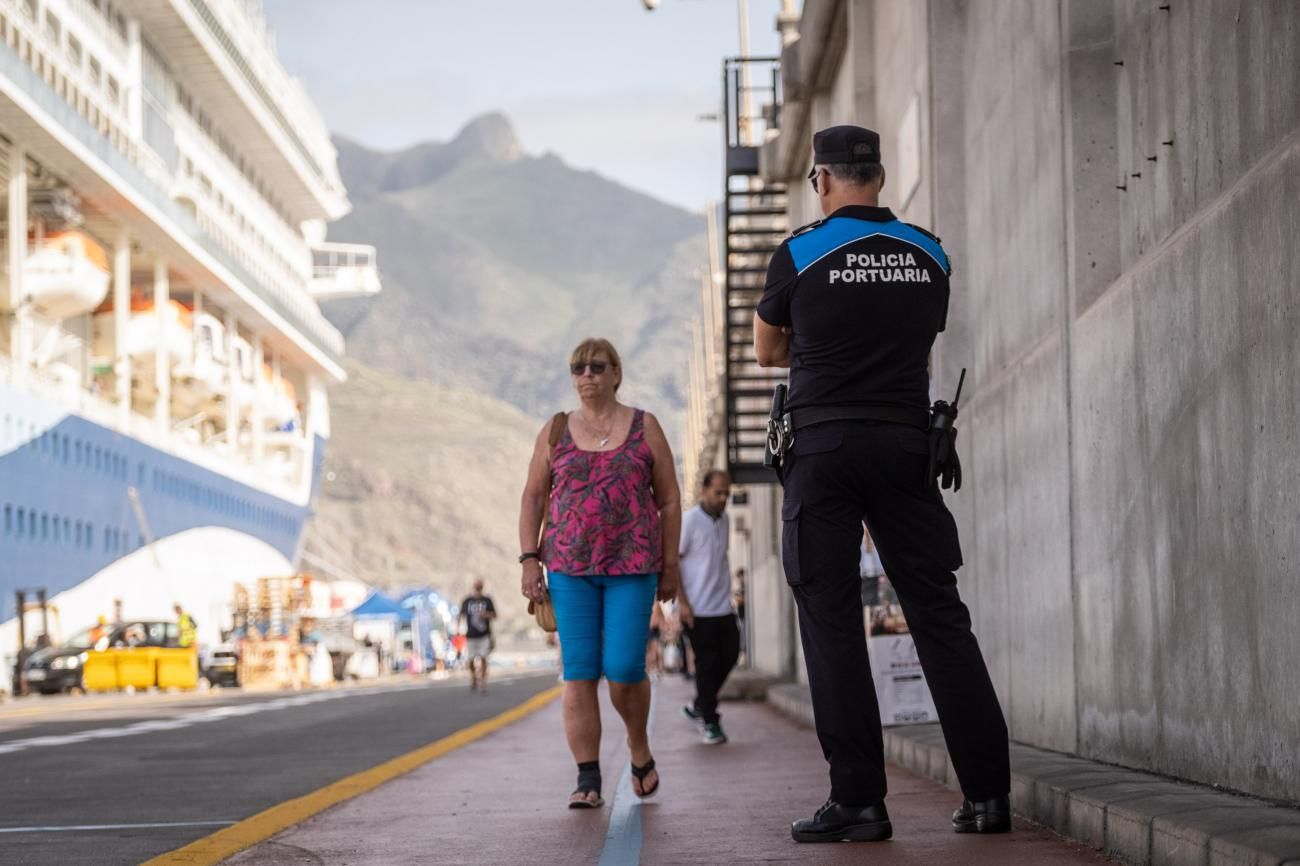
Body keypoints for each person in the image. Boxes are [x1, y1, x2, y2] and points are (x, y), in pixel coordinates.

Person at [753, 125, 1011, 843]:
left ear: (822, 181)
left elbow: (767, 348)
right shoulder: (930, 253)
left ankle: (861, 802)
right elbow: (921, 333)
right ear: (881, 177)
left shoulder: (801, 251)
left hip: (824, 448)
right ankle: (988, 797)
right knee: (939, 616)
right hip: (905, 444)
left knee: (832, 622)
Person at [518, 337, 681, 809]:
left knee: (625, 669)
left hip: (633, 566)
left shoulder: (645, 427)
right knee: (580, 672)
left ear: (615, 373)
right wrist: (530, 558)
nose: (586, 375)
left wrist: (669, 564)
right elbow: (532, 496)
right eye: (577, 368)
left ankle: (637, 746)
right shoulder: (554, 431)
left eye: (596, 367)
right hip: (569, 567)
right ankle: (587, 777)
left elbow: (669, 499)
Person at [678, 470, 741, 745]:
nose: (723, 498)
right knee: (707, 663)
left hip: (722, 606)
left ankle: (700, 704)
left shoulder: (724, 519)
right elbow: (673, 563)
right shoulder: (689, 521)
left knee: (730, 654)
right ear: (704, 490)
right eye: (718, 492)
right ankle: (710, 721)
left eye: (726, 492)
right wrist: (683, 604)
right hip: (697, 608)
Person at [458, 580, 497, 692]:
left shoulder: (487, 600)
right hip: (470, 635)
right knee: (470, 660)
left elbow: (495, 615)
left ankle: (483, 681)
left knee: (484, 658)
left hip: (484, 635)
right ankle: (474, 677)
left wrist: (486, 615)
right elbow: (461, 615)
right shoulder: (467, 601)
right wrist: (458, 630)